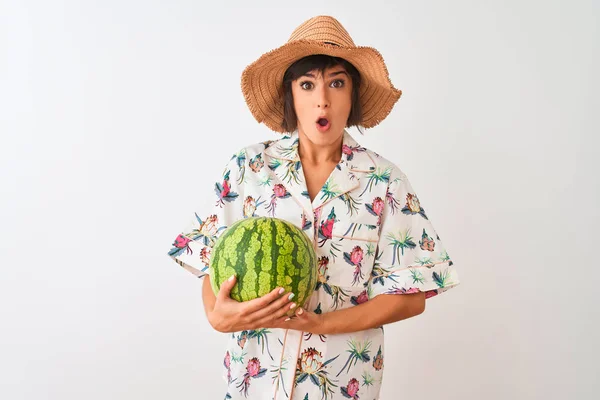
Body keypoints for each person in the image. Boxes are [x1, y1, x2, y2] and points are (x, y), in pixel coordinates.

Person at [167, 15, 461, 400]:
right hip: (254, 383)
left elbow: (411, 295)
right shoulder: (247, 169)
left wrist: (323, 324)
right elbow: (211, 262)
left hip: (340, 382)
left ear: (352, 94)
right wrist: (217, 314)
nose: (322, 99)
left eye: (336, 83)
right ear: (291, 95)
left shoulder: (386, 181)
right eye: (308, 84)